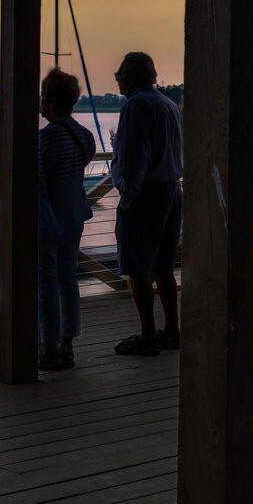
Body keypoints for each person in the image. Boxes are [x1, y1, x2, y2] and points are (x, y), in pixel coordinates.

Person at [109, 51, 182, 356]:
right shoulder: (168, 105)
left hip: (147, 194)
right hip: (172, 190)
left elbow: (134, 157)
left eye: (119, 74)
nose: (117, 80)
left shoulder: (136, 105)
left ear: (132, 76)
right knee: (163, 266)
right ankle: (172, 330)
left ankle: (148, 336)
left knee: (137, 267)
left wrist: (128, 196)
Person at [35, 68, 97, 371]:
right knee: (68, 278)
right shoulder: (85, 136)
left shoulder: (44, 139)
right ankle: (68, 344)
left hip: (48, 219)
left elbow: (36, 178)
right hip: (74, 216)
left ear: (49, 100)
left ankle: (49, 345)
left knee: (47, 281)